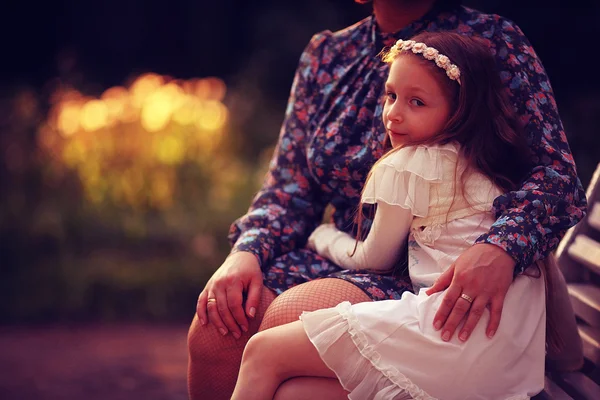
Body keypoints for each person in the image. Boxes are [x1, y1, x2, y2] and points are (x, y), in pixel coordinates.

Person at [187, 1, 587, 398]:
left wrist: (501, 247)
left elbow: (557, 178)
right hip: (347, 246)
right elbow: (288, 189)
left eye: (413, 101)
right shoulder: (328, 55)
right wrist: (247, 250)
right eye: (390, 97)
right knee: (217, 325)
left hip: (436, 273)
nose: (394, 113)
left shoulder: (491, 42)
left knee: (288, 319)